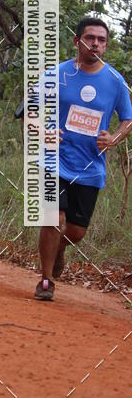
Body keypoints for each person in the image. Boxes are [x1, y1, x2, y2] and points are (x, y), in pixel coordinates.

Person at [35, 17, 132, 301]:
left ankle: (58, 249)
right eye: (90, 38)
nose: (95, 44)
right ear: (77, 41)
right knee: (54, 218)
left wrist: (114, 138)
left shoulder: (114, 81)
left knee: (76, 231)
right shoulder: (57, 74)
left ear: (106, 46)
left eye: (101, 40)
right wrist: (42, 131)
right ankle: (46, 280)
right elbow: (30, 108)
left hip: (90, 167)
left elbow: (128, 119)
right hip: (54, 160)